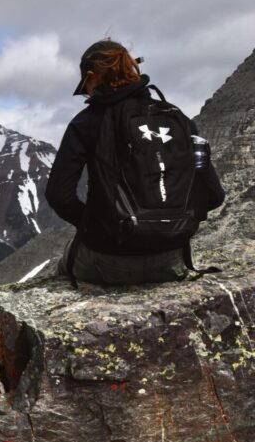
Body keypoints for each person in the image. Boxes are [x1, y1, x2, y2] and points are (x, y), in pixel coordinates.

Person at [45, 39, 225, 285]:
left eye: (84, 86)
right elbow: (214, 196)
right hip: (171, 259)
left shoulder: (86, 122)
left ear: (92, 76)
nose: (85, 93)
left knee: (65, 263)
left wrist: (98, 225)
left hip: (107, 259)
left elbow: (59, 195)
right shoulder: (176, 117)